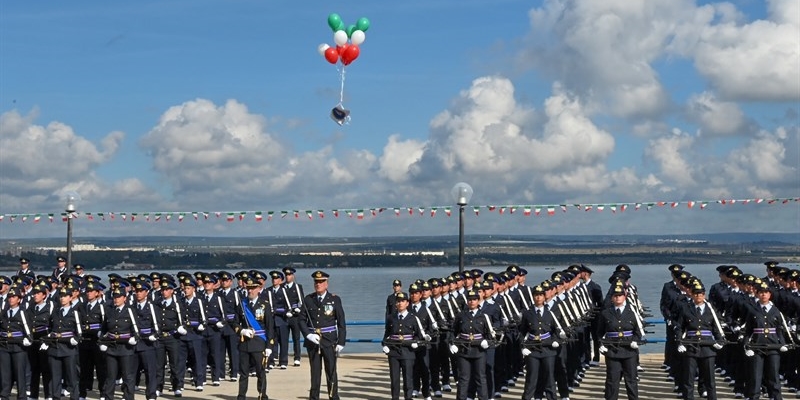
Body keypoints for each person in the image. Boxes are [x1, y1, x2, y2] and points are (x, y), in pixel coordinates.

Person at [674, 280, 726, 400]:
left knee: (710, 380)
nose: (698, 296)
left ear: (704, 295)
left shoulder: (711, 310)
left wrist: (720, 341)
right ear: (692, 294)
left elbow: (716, 327)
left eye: (701, 293)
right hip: (691, 346)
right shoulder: (686, 309)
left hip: (708, 347)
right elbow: (680, 328)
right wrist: (679, 342)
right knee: (689, 379)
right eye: (696, 293)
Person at [300, 270, 347, 400]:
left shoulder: (334, 299)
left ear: (327, 283)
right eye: (316, 282)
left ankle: (333, 396)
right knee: (315, 373)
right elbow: (301, 320)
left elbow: (341, 322)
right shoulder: (308, 299)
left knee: (331, 372)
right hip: (313, 341)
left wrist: (341, 342)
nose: (318, 284)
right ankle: (314, 397)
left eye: (321, 282)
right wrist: (308, 335)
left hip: (329, 340)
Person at [742, 281, 792, 400]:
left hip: (773, 346)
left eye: (766, 292)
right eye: (761, 293)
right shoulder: (753, 310)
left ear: (770, 295)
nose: (763, 295)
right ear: (757, 294)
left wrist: (782, 344)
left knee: (773, 376)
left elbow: (780, 329)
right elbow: (748, 331)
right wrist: (746, 346)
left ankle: (776, 397)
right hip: (757, 347)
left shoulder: (776, 311)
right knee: (756, 377)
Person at [597, 282, 642, 400]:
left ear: (625, 296)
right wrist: (601, 344)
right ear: (612, 298)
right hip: (613, 351)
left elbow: (638, 332)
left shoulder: (632, 313)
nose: (618, 298)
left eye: (620, 295)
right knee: (612, 381)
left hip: (629, 351)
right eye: (615, 296)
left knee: (631, 381)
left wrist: (635, 341)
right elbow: (599, 332)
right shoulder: (606, 314)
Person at [519, 284, 562, 400]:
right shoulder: (527, 313)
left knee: (549, 379)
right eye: (536, 295)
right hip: (532, 350)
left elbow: (557, 330)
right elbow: (522, 332)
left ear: (544, 297)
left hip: (548, 349)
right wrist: (523, 347)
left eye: (540, 295)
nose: (538, 298)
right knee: (531, 379)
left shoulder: (550, 313)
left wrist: (556, 341)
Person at [235, 276, 274, 400]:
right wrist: (242, 330)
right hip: (245, 343)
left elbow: (270, 327)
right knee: (243, 373)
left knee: (260, 372)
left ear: (258, 289)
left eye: (253, 288)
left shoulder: (264, 305)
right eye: (248, 288)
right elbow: (234, 323)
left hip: (259, 342)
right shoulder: (242, 304)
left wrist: (269, 346)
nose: (250, 291)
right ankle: (241, 396)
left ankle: (262, 394)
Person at [449, 289, 493, 400]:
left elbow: (491, 336)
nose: (472, 302)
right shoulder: (461, 316)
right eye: (470, 299)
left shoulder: (484, 316)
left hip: (479, 351)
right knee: (463, 379)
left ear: (478, 301)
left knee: (480, 378)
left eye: (474, 299)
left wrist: (486, 342)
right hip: (464, 351)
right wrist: (452, 343)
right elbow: (453, 332)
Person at [382, 292, 425, 400]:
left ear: (407, 303)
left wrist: (415, 342)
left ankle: (408, 397)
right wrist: (385, 345)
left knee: (408, 378)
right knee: (394, 379)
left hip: (408, 351)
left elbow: (419, 336)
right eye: (398, 301)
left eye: (402, 301)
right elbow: (387, 335)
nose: (400, 303)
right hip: (393, 352)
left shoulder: (413, 318)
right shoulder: (391, 318)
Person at [99, 287, 139, 400]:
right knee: (110, 376)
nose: (116, 299)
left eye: (118, 297)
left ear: (124, 298)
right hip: (112, 348)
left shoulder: (130, 310)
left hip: (126, 348)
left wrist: (134, 338)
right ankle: (108, 397)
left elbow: (136, 329)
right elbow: (104, 329)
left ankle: (128, 397)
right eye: (114, 297)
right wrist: (102, 342)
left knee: (127, 376)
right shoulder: (109, 311)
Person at [45, 286, 81, 400]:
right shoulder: (55, 312)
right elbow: (50, 329)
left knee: (71, 377)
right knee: (55, 377)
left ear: (71, 298)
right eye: (61, 296)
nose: (62, 298)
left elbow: (79, 331)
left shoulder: (75, 312)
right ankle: (56, 397)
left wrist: (75, 339)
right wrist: (47, 340)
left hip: (68, 349)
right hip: (55, 348)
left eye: (65, 296)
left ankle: (74, 397)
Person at [0, 287, 33, 400]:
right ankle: (4, 396)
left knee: (20, 374)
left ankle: (22, 396)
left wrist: (28, 339)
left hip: (18, 346)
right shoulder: (4, 313)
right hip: (4, 346)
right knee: (5, 374)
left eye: (14, 297)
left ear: (19, 299)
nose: (11, 299)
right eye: (9, 297)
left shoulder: (23, 312)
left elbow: (28, 330)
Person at [267, 270, 290, 369]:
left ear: (281, 280)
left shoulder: (284, 290)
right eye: (273, 278)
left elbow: (288, 306)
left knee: (283, 341)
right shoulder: (268, 291)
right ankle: (271, 361)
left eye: (276, 278)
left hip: (282, 319)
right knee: (272, 341)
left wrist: (281, 312)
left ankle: (283, 361)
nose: (274, 280)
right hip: (271, 320)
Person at [282, 267, 304, 367]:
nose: (287, 276)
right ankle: (284, 360)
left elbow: (301, 301)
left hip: (295, 317)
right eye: (286, 275)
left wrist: (298, 309)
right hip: (285, 316)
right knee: (284, 339)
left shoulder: (298, 287)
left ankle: (297, 358)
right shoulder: (281, 287)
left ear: (293, 276)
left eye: (289, 275)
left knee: (296, 338)